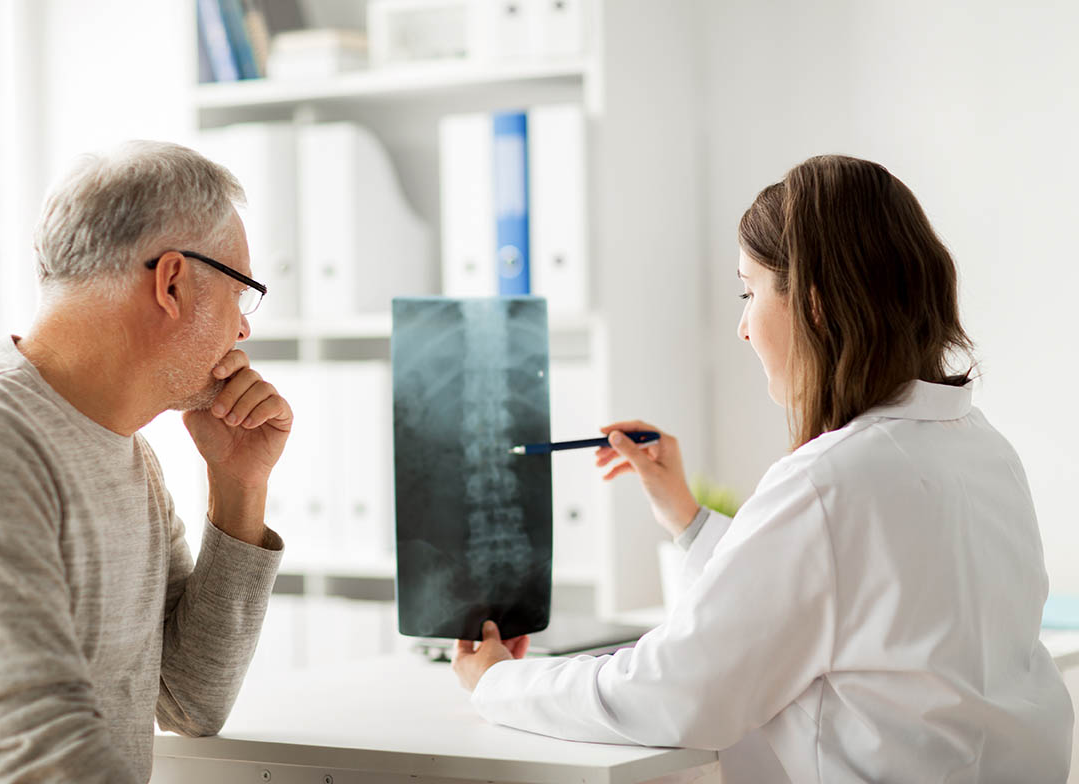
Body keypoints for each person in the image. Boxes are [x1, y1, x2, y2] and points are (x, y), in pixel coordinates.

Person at [452, 155, 1074, 781]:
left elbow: (670, 695)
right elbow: (829, 595)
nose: (744, 328)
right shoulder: (982, 447)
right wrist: (687, 517)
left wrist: (501, 682)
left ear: (815, 305)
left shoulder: (831, 479)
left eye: (750, 292)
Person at [0, 141, 292, 782]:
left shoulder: (127, 454)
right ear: (172, 282)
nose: (243, 329)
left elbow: (189, 702)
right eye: (241, 291)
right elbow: (46, 752)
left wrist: (238, 486)